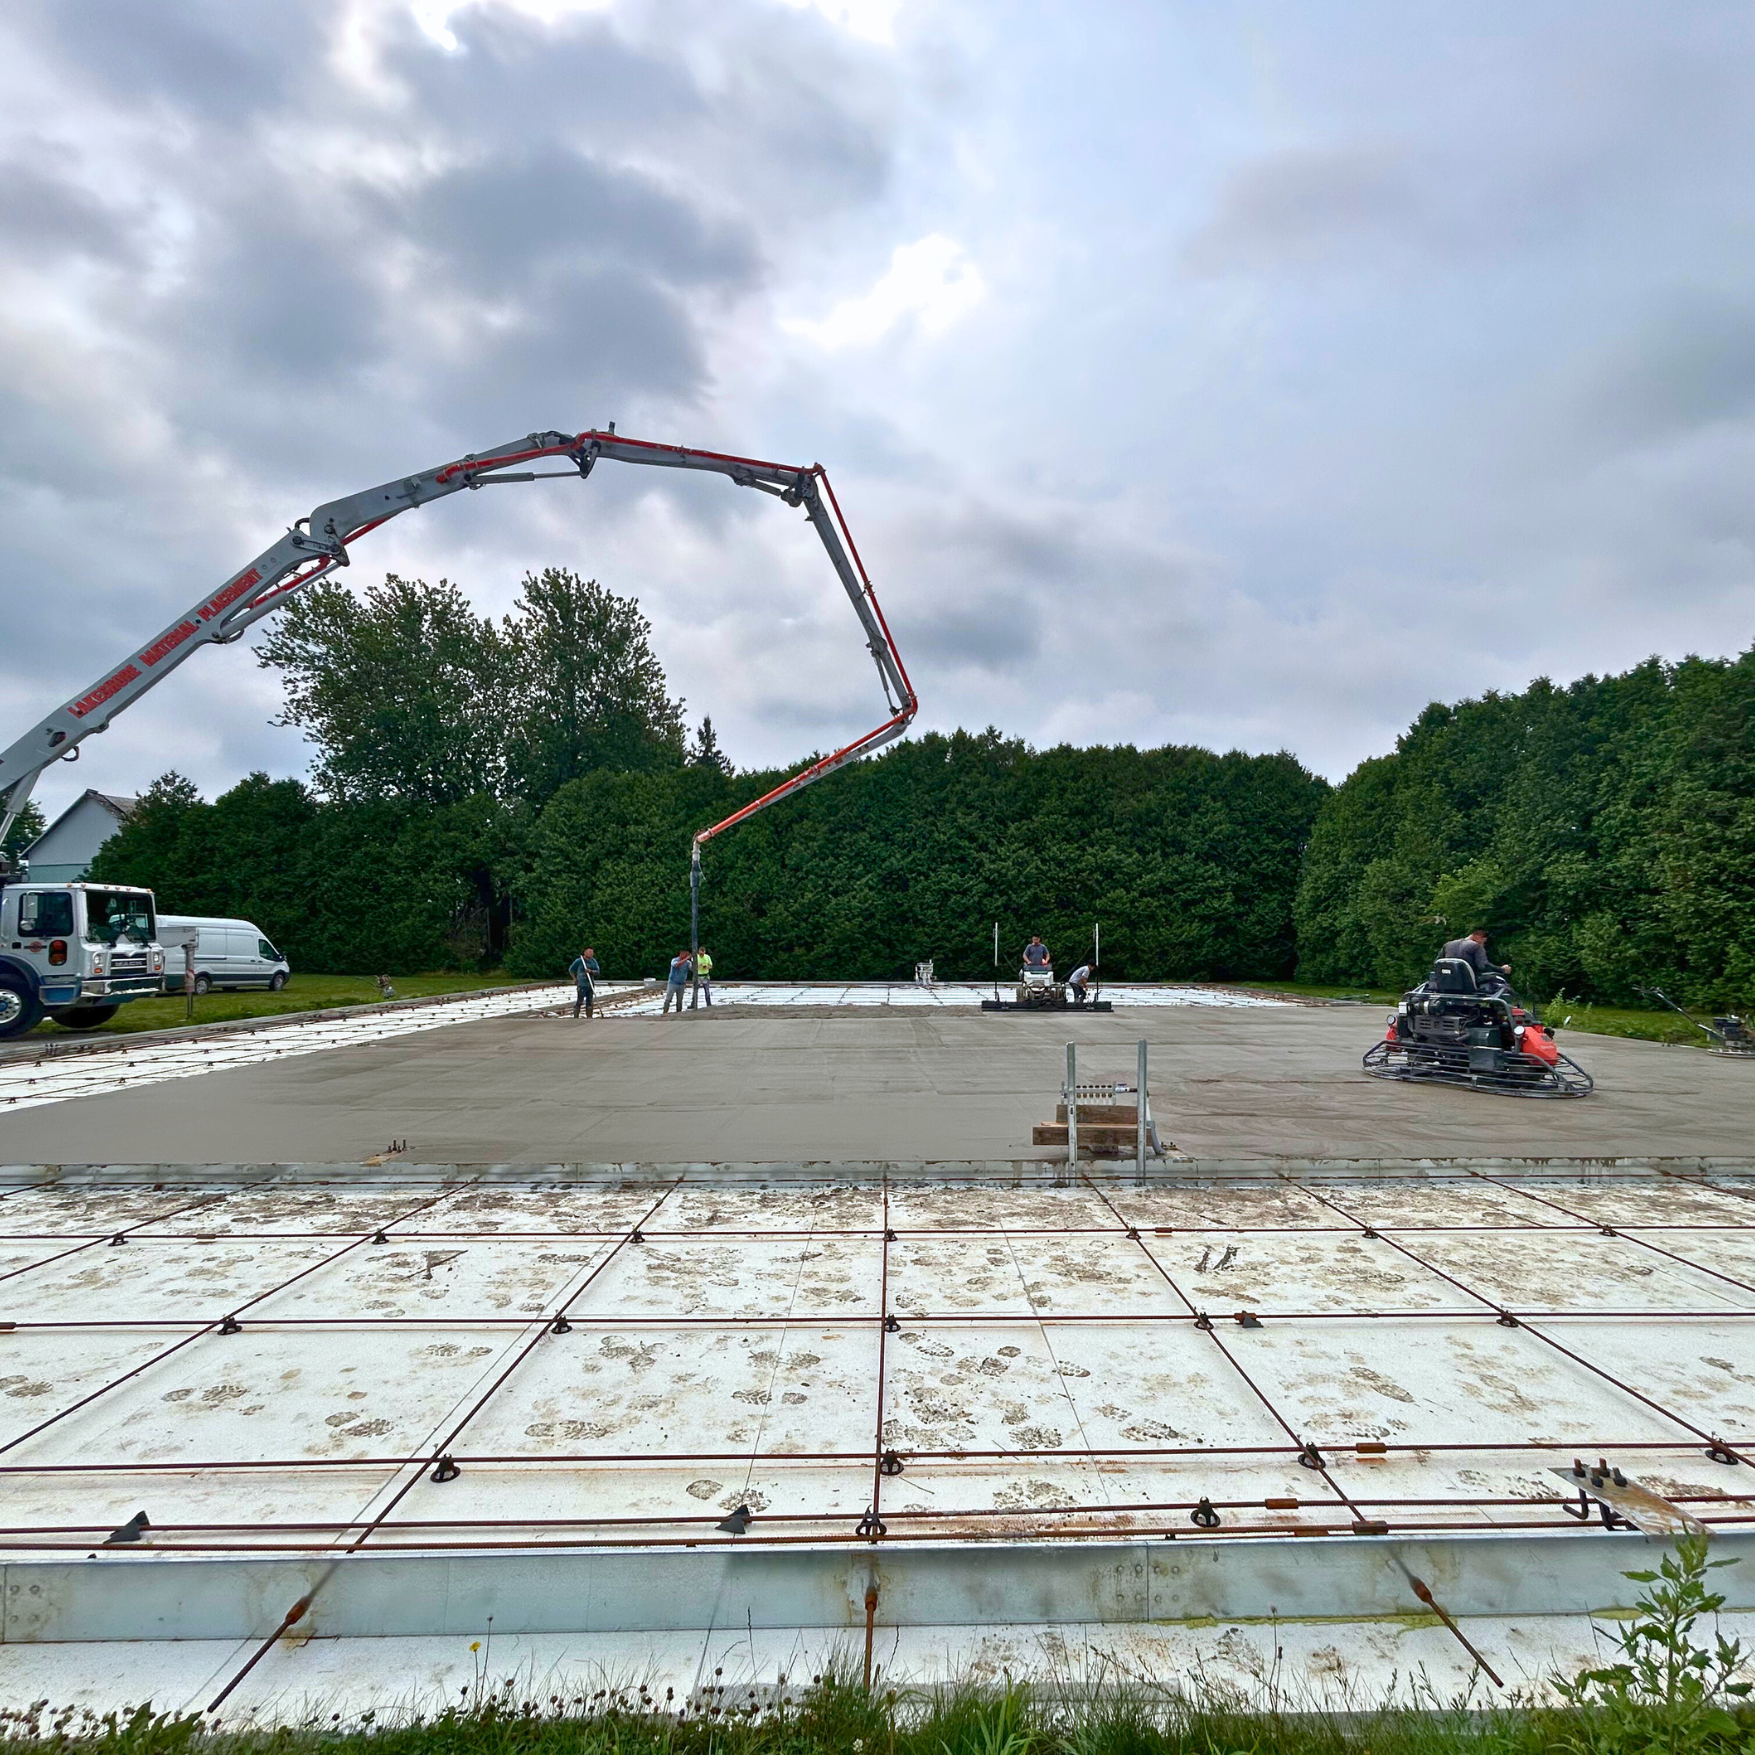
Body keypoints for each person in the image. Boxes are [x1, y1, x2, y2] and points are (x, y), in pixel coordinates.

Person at [1441, 927, 1511, 986]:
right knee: (1500, 982)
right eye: (1484, 941)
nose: (1483, 944)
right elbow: (1483, 966)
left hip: (1448, 982)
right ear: (1477, 937)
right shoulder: (1476, 946)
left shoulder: (1448, 945)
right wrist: (1502, 970)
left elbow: (1437, 963)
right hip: (1468, 983)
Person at [570, 946, 600, 1019]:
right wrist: (574, 979)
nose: (591, 954)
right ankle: (576, 1016)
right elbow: (571, 970)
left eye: (592, 952)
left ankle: (589, 1016)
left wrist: (591, 971)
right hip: (582, 984)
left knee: (589, 1001)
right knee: (580, 1000)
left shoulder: (593, 961)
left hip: (590, 984)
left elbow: (598, 971)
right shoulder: (579, 961)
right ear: (585, 952)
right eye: (589, 952)